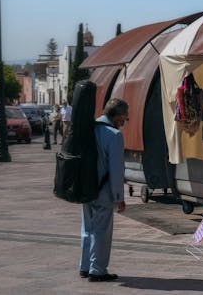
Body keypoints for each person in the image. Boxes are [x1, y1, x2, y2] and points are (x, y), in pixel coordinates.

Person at [79, 98, 128, 282]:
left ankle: (85, 266)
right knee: (101, 231)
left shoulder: (87, 129)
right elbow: (116, 169)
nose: (125, 120)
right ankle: (97, 269)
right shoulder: (113, 135)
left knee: (87, 228)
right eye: (125, 117)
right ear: (118, 115)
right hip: (104, 191)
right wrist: (119, 197)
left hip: (85, 188)